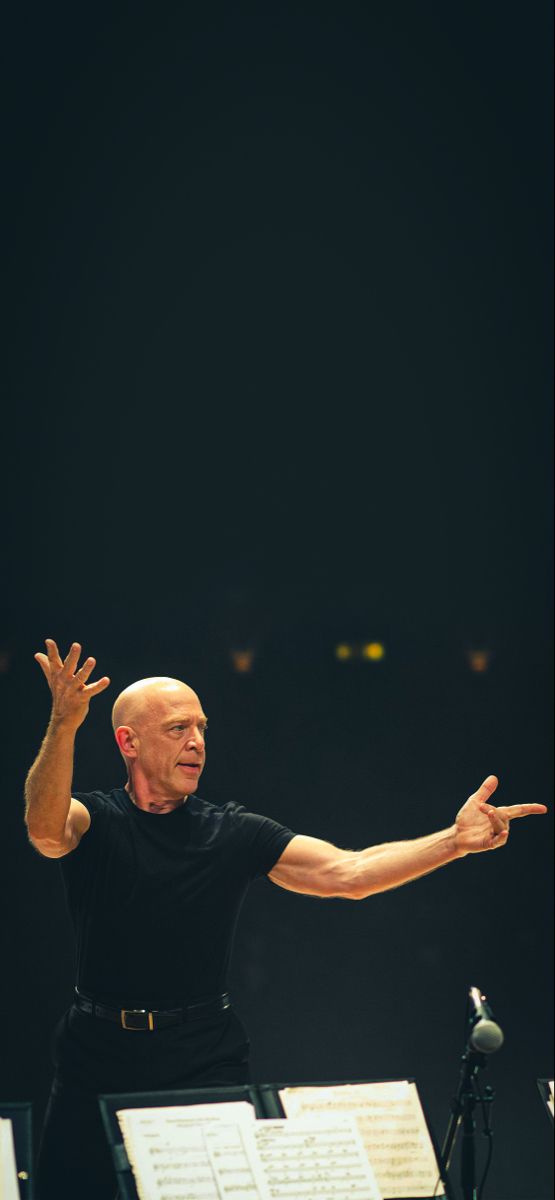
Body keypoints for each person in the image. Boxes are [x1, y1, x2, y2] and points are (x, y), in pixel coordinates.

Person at [25, 639, 547, 1200]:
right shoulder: (96, 819)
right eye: (178, 729)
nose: (197, 741)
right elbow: (45, 829)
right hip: (94, 1052)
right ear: (128, 741)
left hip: (201, 1057)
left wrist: (454, 842)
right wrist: (64, 724)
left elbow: (350, 873)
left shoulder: (231, 831)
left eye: (201, 727)